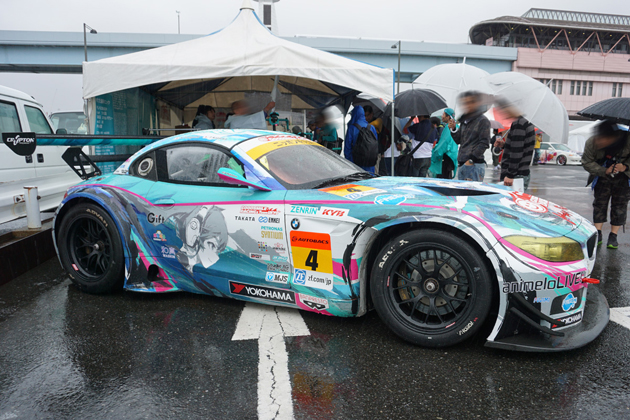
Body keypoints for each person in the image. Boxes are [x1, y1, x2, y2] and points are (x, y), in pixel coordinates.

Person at [582, 120, 630, 249]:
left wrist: (625, 167)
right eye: (599, 138)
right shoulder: (592, 142)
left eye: (605, 139)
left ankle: (613, 236)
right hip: (603, 176)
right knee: (599, 203)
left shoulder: (627, 140)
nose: (601, 142)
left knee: (619, 206)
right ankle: (598, 233)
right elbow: (586, 162)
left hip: (623, 178)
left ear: (613, 137)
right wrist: (604, 170)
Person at [448, 91, 491, 182]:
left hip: (474, 165)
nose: (467, 105)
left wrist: (471, 160)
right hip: (463, 164)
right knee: (462, 195)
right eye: (465, 103)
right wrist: (453, 128)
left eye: (470, 102)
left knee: (471, 195)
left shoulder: (482, 120)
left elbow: (484, 143)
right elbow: (459, 140)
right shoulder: (465, 120)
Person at [494, 100, 536, 190]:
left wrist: (510, 175)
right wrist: (505, 145)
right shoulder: (525, 122)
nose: (503, 113)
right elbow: (520, 147)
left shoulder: (519, 124)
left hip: (516, 176)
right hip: (521, 173)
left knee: (510, 202)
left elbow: (516, 152)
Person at [345, 106, 377, 174]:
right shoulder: (371, 127)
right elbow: (375, 144)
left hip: (356, 161)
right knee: (369, 180)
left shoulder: (352, 128)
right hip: (369, 162)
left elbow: (347, 147)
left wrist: (349, 161)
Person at [429, 108, 459, 179]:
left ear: (448, 117)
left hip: (446, 158)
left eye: (443, 114)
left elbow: (444, 144)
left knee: (442, 181)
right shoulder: (456, 127)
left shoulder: (448, 128)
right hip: (452, 158)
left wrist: (436, 152)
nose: (442, 116)